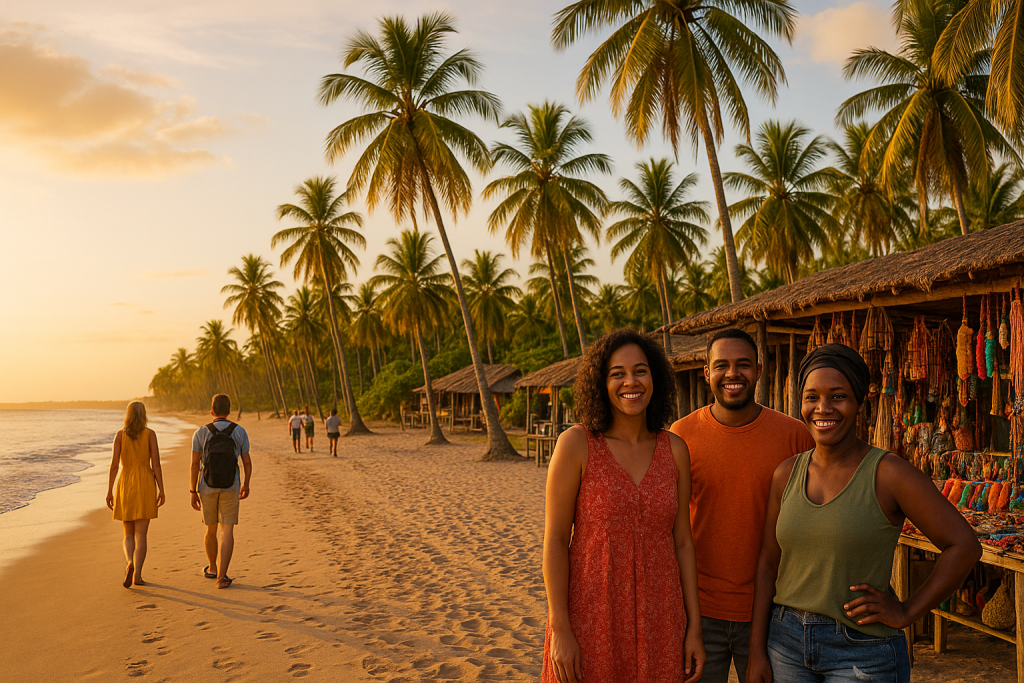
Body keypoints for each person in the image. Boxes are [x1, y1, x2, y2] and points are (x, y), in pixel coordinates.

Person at [747, 344, 982, 683]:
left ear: (859, 402)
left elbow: (964, 546)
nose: (823, 408)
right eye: (812, 397)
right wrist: (757, 649)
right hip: (786, 644)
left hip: (862, 649)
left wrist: (906, 611)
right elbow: (769, 562)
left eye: (838, 396)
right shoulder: (786, 474)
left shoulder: (889, 474)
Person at [543, 329, 705, 683]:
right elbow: (555, 541)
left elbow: (683, 544)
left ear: (655, 378)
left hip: (661, 618)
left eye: (640, 371)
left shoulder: (674, 450)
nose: (630, 382)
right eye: (617, 373)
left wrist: (693, 628)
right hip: (591, 616)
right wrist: (561, 629)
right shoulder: (577, 444)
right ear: (601, 383)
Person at [669, 328, 814, 683]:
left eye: (743, 365)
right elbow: (672, 525)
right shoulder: (681, 436)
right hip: (699, 613)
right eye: (721, 366)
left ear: (759, 371)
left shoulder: (794, 435)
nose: (732, 374)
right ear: (707, 373)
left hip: (775, 612)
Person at [190, 394, 251, 589]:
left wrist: (192, 490)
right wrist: (246, 484)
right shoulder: (239, 431)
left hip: (207, 486)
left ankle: (212, 567)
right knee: (228, 530)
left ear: (212, 411)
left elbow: (193, 464)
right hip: (231, 485)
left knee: (210, 528)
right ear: (229, 410)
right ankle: (222, 576)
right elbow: (247, 462)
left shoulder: (200, 432)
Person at [106, 401, 165, 588]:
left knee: (128, 534)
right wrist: (161, 489)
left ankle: (129, 562)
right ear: (144, 414)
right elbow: (156, 464)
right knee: (141, 534)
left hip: (125, 481)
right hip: (145, 481)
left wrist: (109, 490)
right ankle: (137, 574)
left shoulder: (120, 436)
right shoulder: (150, 434)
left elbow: (115, 465)